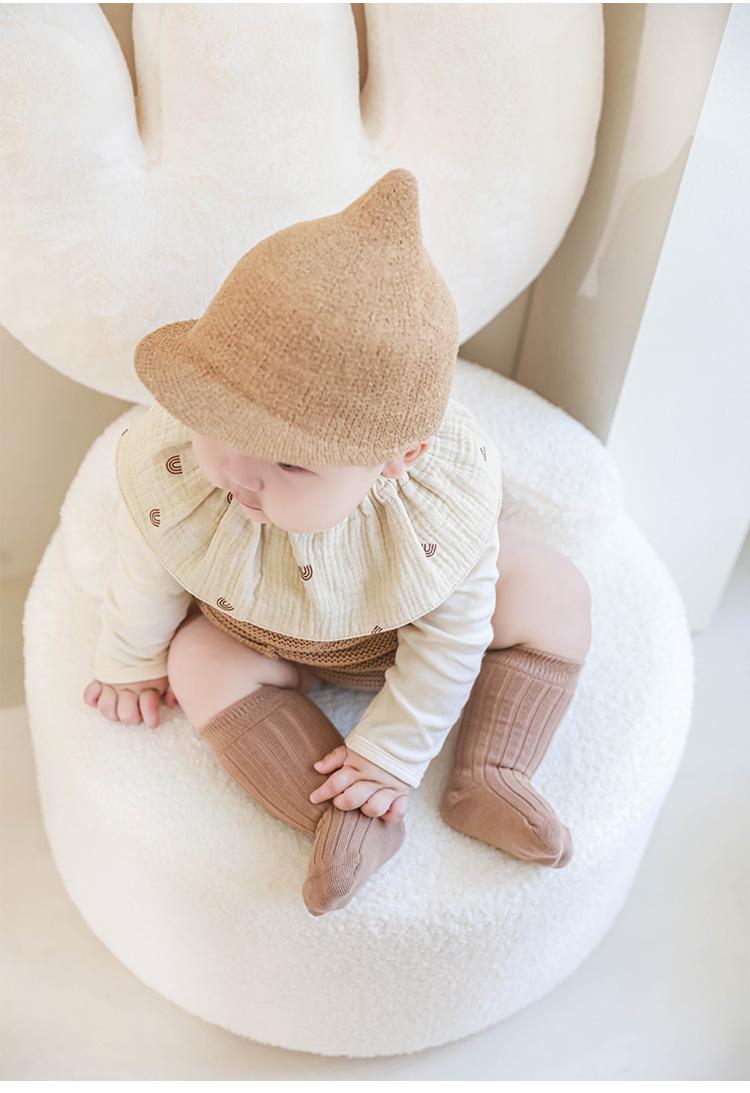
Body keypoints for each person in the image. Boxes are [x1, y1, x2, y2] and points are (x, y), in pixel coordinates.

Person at [83, 168, 591, 916]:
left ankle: (490, 772)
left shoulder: (427, 519)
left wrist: (389, 754)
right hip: (260, 632)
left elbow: (450, 642)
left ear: (397, 459)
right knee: (197, 660)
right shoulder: (186, 474)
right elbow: (148, 566)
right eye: (222, 427)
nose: (241, 473)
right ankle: (340, 819)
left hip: (393, 636)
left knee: (553, 589)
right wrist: (128, 661)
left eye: (291, 463)